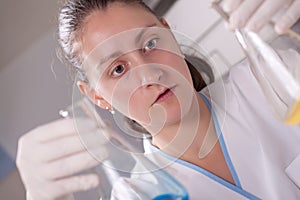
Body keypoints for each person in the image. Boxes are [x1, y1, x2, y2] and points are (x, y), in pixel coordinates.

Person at [16, 0, 300, 199]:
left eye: (150, 44)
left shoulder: (269, 79)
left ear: (169, 33)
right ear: (98, 96)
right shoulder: (137, 195)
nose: (149, 74)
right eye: (118, 69)